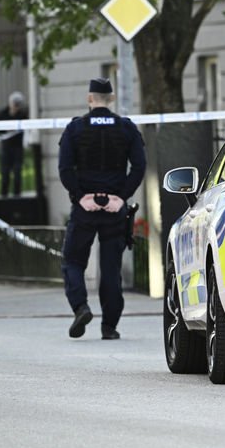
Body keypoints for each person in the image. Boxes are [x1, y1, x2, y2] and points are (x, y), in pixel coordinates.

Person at [58, 78, 146, 340]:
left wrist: (80, 195)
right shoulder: (126, 128)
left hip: (85, 208)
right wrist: (121, 197)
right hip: (114, 210)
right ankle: (109, 326)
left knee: (73, 261)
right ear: (112, 99)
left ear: (89, 99)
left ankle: (81, 307)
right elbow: (139, 167)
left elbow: (64, 169)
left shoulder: (76, 129)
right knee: (111, 269)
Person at [0, 91, 27, 197]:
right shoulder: (3, 114)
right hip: (6, 148)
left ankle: (17, 195)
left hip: (17, 148)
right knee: (5, 173)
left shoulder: (22, 115)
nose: (16, 107)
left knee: (17, 172)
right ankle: (4, 195)